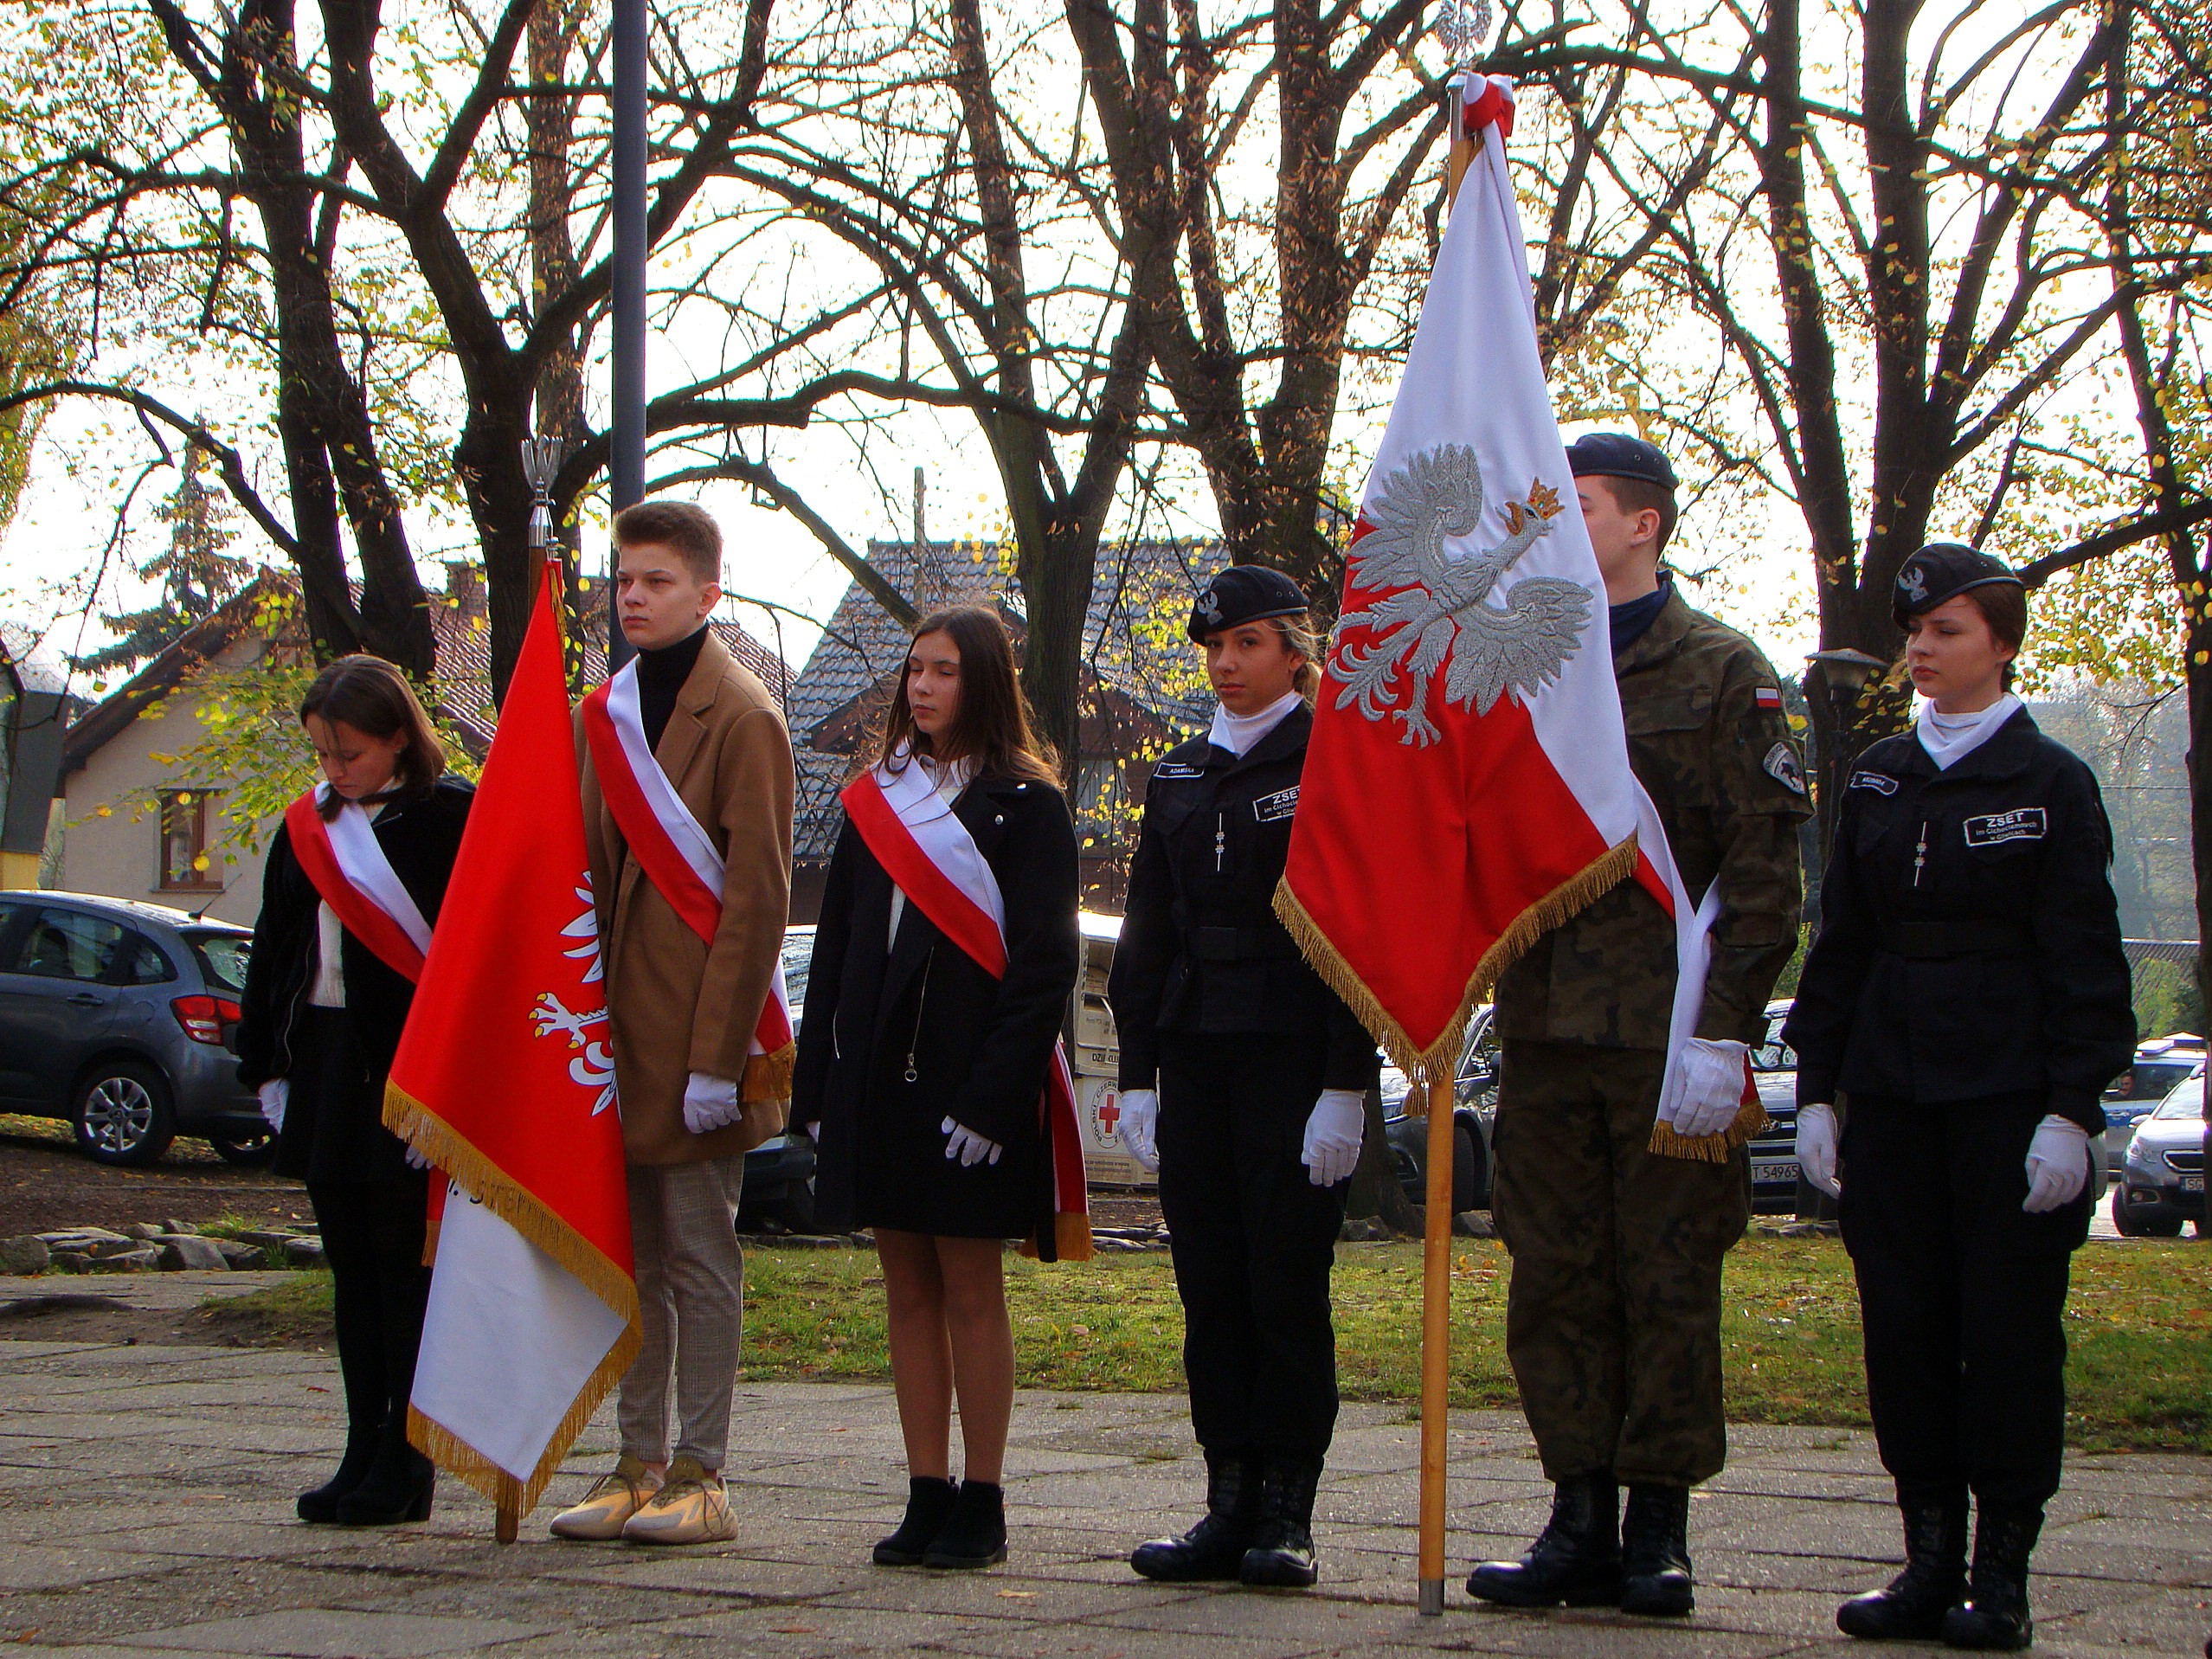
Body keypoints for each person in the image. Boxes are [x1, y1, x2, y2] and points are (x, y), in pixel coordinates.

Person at [1466, 434, 1810, 1616]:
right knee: (1554, 1279)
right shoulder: (1529, 662)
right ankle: (1576, 1513)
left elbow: (1764, 871)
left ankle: (1658, 1523)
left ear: (1644, 524)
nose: (1558, 514)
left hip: (1668, 1039)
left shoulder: (1720, 670)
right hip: (1550, 1029)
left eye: (1584, 500)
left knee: (1666, 1277)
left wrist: (1724, 1032)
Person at [1785, 543, 2134, 1651]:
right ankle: (1928, 1558)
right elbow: (1841, 944)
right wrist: (1819, 1091)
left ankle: (2004, 1572)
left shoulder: (2049, 782)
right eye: (1915, 634)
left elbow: (2086, 966)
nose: (1922, 652)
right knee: (1908, 1333)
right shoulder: (1882, 774)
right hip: (1893, 1098)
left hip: (2005, 1099)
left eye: (1946, 632)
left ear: (2000, 641)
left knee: (2009, 1337)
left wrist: (2072, 1112)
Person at [790, 604, 1081, 1572]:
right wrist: (820, 1086)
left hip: (970, 1090)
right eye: (915, 669)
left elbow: (1045, 967)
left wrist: (997, 1100)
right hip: (879, 1080)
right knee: (903, 1287)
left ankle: (984, 1500)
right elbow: (834, 954)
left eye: (944, 670)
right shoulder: (878, 797)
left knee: (969, 1287)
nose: (921, 687)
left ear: (985, 682)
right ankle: (925, 1493)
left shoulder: (1028, 805)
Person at [1106, 565, 1380, 1591]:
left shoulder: (1335, 761)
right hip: (1197, 1053)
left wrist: (1348, 1083)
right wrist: (1139, 1071)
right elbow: (1146, 933)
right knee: (1210, 1285)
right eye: (1215, 648)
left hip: (1295, 1059)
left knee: (1284, 1287)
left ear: (1297, 654)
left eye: (1249, 644)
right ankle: (1226, 1498)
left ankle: (1286, 1511)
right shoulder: (1177, 776)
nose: (1226, 664)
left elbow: (1354, 928)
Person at [551, 500, 796, 1546]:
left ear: (709, 592)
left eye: (656, 581)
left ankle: (703, 1470)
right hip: (613, 1041)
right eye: (623, 581)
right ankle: (633, 1460)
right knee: (630, 1259)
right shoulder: (595, 715)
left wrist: (717, 1060)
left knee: (700, 1260)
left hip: (700, 1037)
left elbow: (758, 898)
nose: (634, 598)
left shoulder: (742, 715)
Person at [235, 656, 473, 1526]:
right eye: (323, 753)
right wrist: (264, 1064)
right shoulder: (308, 826)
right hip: (326, 1059)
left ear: (400, 737)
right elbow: (276, 947)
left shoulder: (452, 820)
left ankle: (407, 1462)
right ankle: (360, 1442)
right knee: (350, 1272)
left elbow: (476, 963)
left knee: (400, 1271)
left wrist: (449, 1091)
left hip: (409, 1066)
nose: (334, 770)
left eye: (350, 753)